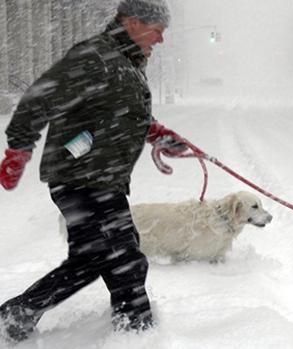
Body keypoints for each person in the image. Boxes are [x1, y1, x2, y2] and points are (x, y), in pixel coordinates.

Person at [0, 0, 186, 343]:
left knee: (104, 256)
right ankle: (136, 332)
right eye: (157, 31)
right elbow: (38, 99)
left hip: (101, 178)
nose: (160, 40)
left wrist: (157, 134)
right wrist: (18, 148)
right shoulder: (94, 57)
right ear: (133, 22)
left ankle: (18, 316)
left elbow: (118, 114)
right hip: (81, 178)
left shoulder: (126, 62)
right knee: (120, 258)